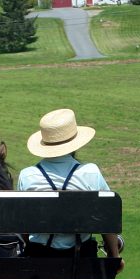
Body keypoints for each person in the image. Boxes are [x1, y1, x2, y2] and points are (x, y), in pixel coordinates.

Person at [18, 108, 123, 269]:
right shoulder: (91, 172)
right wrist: (115, 256)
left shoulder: (27, 176)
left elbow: (22, 225)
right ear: (75, 143)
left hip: (39, 259)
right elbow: (107, 218)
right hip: (82, 259)